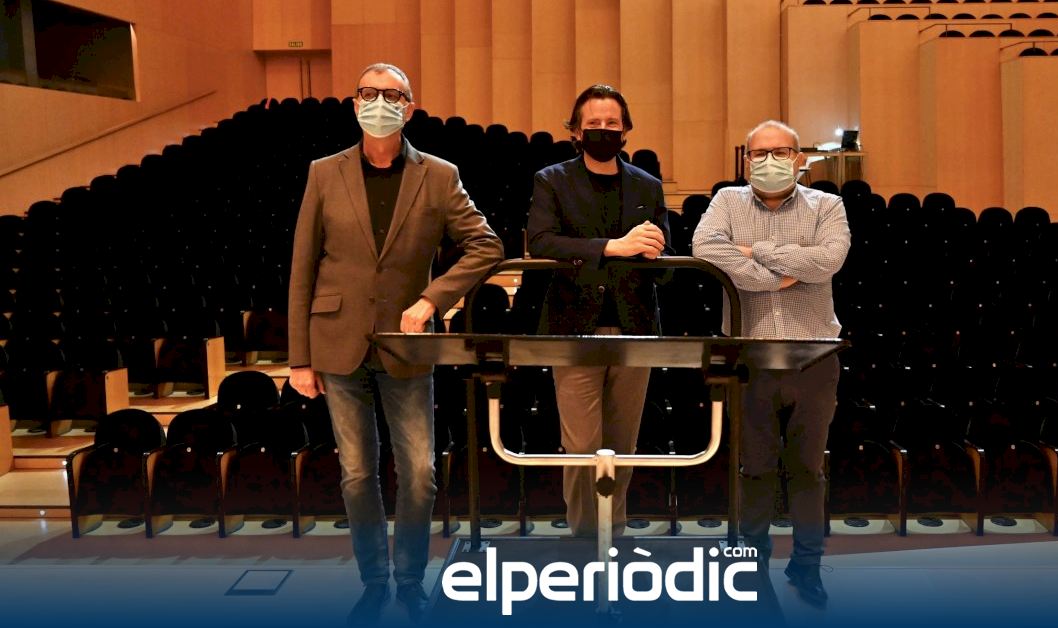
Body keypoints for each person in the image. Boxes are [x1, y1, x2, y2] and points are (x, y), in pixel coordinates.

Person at [287, 63, 504, 622]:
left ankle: (410, 578)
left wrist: (433, 299)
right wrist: (299, 359)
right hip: (336, 343)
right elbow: (302, 267)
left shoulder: (439, 175)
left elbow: (487, 246)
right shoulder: (323, 172)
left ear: (409, 107)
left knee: (420, 474)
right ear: (354, 102)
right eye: (369, 93)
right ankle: (373, 581)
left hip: (408, 346)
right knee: (357, 473)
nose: (378, 102)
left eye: (392, 95)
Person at [692, 119, 850, 609]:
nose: (768, 161)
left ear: (798, 158)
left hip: (815, 355)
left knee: (808, 469)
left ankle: (807, 566)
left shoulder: (828, 205)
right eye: (758, 153)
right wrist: (782, 272)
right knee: (755, 469)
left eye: (779, 152)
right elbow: (706, 251)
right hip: (751, 356)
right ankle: (751, 567)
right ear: (746, 160)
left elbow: (828, 260)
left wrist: (755, 251)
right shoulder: (726, 201)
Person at [525, 84, 671, 537]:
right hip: (573, 327)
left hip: (635, 328)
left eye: (612, 123)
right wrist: (613, 247)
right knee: (582, 445)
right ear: (575, 130)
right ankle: (585, 538)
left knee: (623, 443)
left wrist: (656, 250)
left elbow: (665, 263)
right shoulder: (551, 179)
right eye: (594, 124)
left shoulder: (648, 184)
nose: (603, 130)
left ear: (625, 130)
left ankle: (614, 532)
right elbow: (541, 241)